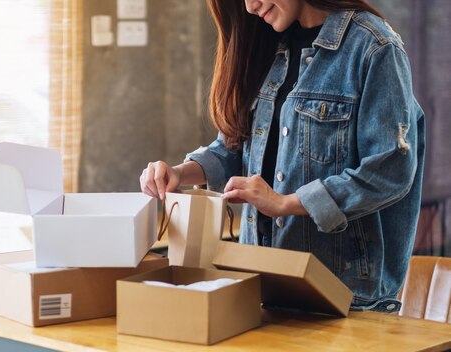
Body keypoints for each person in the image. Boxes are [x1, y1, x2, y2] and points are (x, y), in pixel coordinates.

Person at [140, 0, 425, 313]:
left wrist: (284, 204)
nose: (250, 6)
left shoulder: (374, 47)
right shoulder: (269, 46)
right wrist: (180, 173)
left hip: (342, 295)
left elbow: (389, 171)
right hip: (261, 283)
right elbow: (239, 144)